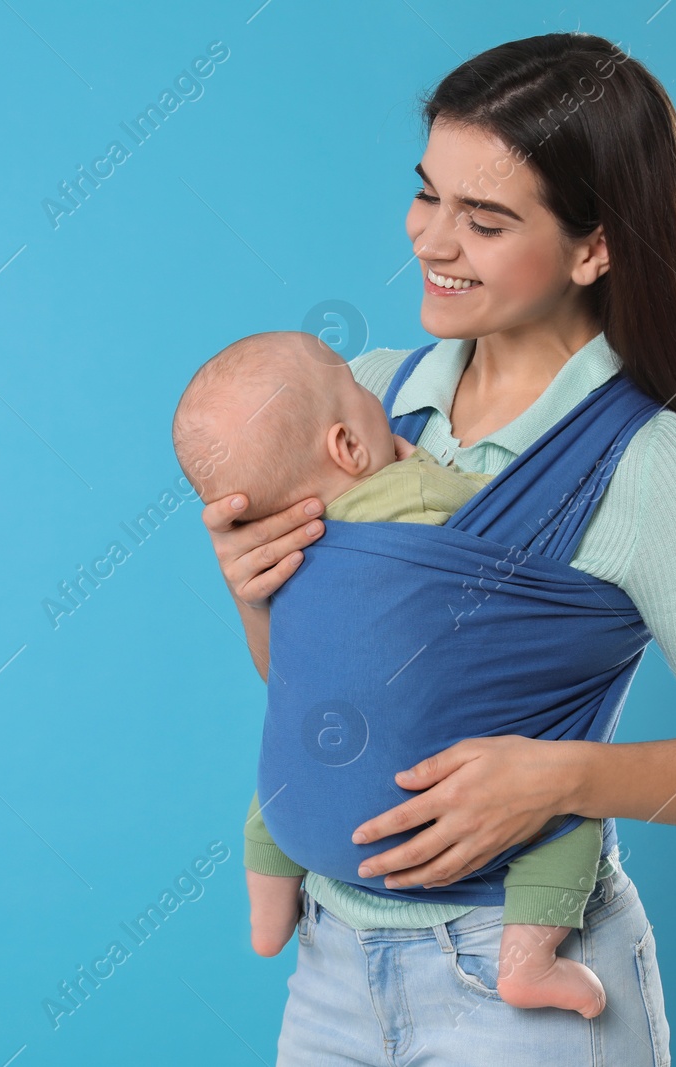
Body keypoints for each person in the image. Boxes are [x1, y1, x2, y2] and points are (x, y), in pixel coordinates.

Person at [194, 32, 676, 1066]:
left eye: (483, 220)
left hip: (522, 978)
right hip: (333, 961)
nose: (430, 241)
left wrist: (558, 778)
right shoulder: (363, 396)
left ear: (593, 247)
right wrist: (256, 596)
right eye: (426, 194)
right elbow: (343, 697)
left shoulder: (651, 467)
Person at [172, 330, 609, 1017]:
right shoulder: (418, 486)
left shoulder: (276, 547)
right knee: (569, 817)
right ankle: (529, 962)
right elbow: (508, 512)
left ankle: (266, 918)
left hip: (303, 812)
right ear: (348, 446)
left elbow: (295, 672)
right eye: (361, 394)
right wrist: (436, 473)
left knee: (278, 782)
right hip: (427, 798)